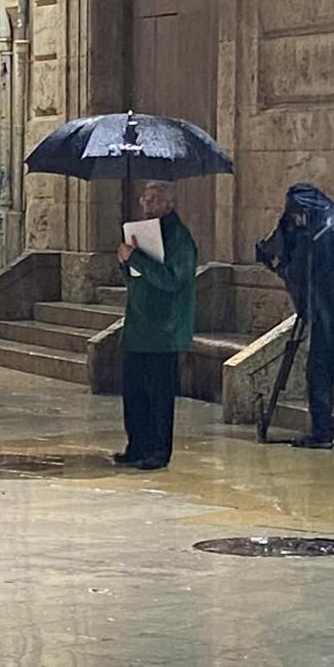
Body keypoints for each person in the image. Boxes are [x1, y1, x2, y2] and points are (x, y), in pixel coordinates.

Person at [114, 181, 196, 471]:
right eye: (145, 199)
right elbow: (137, 280)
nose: (147, 204)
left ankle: (159, 450)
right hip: (138, 326)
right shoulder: (142, 233)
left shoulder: (179, 238)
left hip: (164, 330)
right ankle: (137, 444)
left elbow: (172, 280)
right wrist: (125, 262)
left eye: (154, 200)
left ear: (169, 205)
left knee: (159, 395)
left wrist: (135, 257)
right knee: (134, 392)